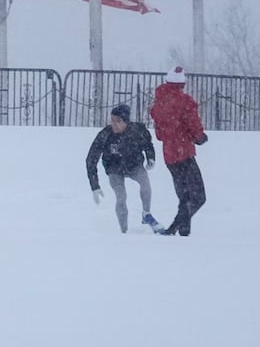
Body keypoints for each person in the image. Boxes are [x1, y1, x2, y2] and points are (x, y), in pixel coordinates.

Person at [149, 66, 207, 236]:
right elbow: (194, 126)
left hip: (169, 155)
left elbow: (159, 135)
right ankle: (174, 228)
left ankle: (183, 234)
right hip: (185, 153)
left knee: (185, 197)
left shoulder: (158, 105)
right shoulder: (185, 102)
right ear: (182, 83)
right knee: (198, 197)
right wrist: (200, 137)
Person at [84, 102, 157, 234]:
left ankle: (146, 214)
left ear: (126, 122)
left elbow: (148, 144)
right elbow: (91, 159)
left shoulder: (138, 130)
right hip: (114, 169)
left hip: (134, 165)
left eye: (118, 121)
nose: (113, 124)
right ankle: (124, 232)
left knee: (145, 183)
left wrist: (151, 158)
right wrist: (95, 186)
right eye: (112, 120)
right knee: (121, 196)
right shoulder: (105, 134)